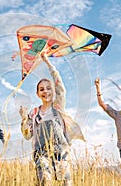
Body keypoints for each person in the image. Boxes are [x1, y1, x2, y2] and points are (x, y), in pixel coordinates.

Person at [19, 53, 85, 186]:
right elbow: (27, 135)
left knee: (66, 181)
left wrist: (48, 63)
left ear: (53, 91)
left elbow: (60, 87)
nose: (46, 91)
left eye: (49, 88)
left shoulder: (58, 106)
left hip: (61, 148)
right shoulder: (34, 113)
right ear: (37, 94)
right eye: (42, 89)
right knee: (45, 179)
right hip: (41, 152)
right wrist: (24, 119)